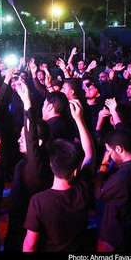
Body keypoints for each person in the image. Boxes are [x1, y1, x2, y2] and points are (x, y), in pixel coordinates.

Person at [23, 99, 96, 252]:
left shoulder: (39, 201)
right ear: (76, 170)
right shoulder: (82, 190)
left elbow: (30, 245)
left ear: (51, 165)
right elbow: (90, 154)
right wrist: (79, 119)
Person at [4, 77, 53, 251]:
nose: (19, 139)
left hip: (26, 222)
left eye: (23, 138)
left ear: (38, 142)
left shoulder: (38, 163)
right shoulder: (31, 160)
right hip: (17, 217)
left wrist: (27, 103)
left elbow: (30, 134)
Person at [94, 129, 131, 252]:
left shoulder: (122, 177)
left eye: (109, 151)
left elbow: (99, 192)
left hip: (113, 237)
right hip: (130, 230)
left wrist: (104, 164)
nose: (109, 155)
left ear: (119, 149)